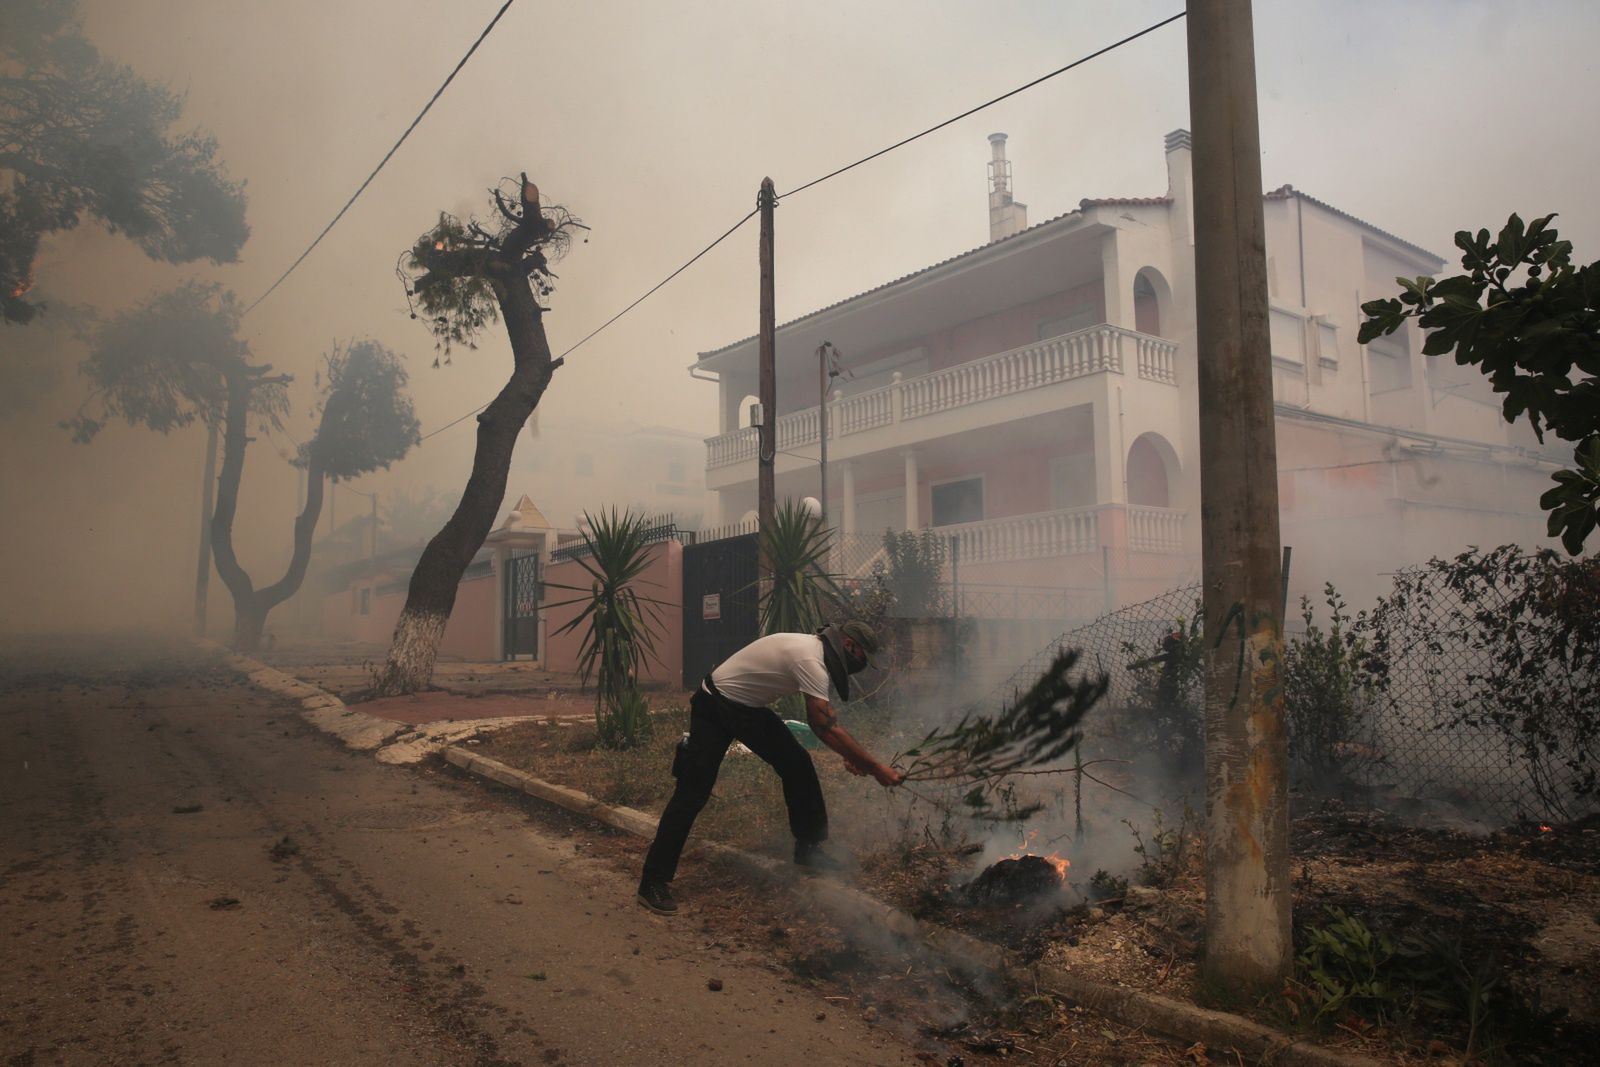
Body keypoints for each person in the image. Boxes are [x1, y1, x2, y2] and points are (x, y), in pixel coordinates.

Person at [637, 620, 904, 914]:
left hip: (746, 708)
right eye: (864, 658)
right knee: (692, 792)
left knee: (797, 763)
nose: (863, 665)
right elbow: (823, 726)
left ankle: (808, 849)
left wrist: (853, 756)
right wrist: (876, 767)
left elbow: (826, 720)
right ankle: (652, 882)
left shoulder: (812, 653)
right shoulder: (810, 659)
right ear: (851, 647)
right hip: (715, 704)